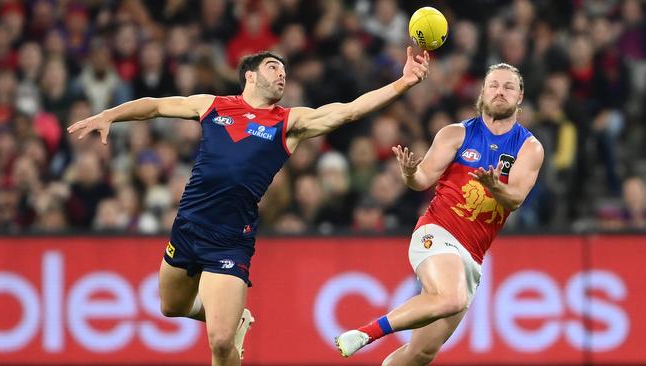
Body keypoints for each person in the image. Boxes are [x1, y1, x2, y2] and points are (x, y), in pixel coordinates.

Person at [67, 48, 430, 366]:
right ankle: (235, 318)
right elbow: (157, 106)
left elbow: (349, 112)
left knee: (221, 342)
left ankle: (230, 322)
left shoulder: (288, 122)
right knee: (171, 307)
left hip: (230, 240)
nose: (282, 75)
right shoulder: (213, 105)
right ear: (251, 75)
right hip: (188, 226)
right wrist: (110, 115)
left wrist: (403, 82)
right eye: (274, 68)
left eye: (285, 71)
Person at [335, 63, 544, 365]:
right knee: (450, 297)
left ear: (520, 96)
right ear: (482, 93)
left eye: (509, 87)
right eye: (494, 85)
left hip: (472, 256)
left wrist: (496, 187)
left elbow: (515, 199)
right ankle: (366, 333)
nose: (500, 91)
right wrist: (408, 175)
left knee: (421, 353)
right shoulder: (456, 134)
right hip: (437, 231)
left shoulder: (529, 147)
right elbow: (422, 179)